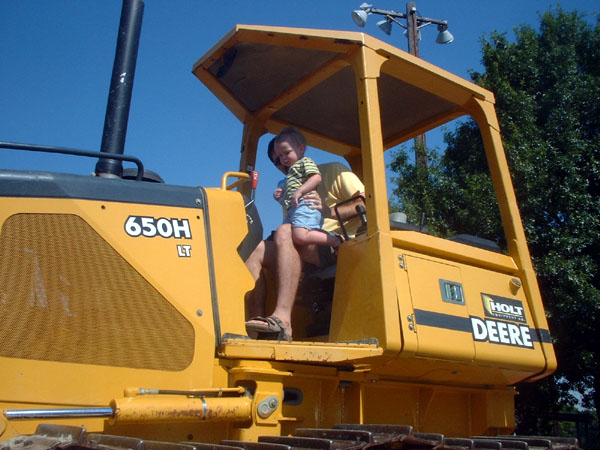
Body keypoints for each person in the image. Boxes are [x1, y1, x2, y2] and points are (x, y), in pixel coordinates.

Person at [245, 133, 365, 341]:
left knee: (285, 231)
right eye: (276, 160)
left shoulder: (332, 171)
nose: (282, 161)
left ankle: (282, 319)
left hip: (340, 245)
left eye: (285, 153)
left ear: (300, 150)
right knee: (256, 250)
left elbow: (367, 203)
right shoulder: (288, 187)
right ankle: (254, 329)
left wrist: (329, 212)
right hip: (303, 244)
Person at [274, 127, 342, 249]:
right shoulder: (290, 174)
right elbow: (289, 197)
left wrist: (300, 191)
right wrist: (280, 197)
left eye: (287, 152)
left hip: (306, 205)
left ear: (301, 149)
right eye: (279, 156)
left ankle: (334, 240)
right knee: (283, 235)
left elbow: (316, 178)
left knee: (300, 236)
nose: (283, 158)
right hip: (293, 210)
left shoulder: (305, 162)